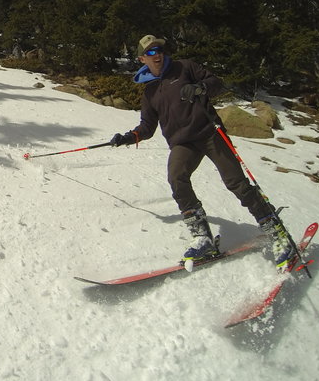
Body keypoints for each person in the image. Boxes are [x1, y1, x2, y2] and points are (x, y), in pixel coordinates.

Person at [110, 34, 295, 268]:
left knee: (235, 182)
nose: (156, 55)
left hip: (209, 133)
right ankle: (202, 237)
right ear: (141, 58)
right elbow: (147, 127)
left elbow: (216, 83)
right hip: (183, 143)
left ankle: (275, 231)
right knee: (177, 177)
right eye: (149, 52)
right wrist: (128, 137)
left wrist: (200, 88)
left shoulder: (184, 67)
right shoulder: (150, 92)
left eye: (159, 50)